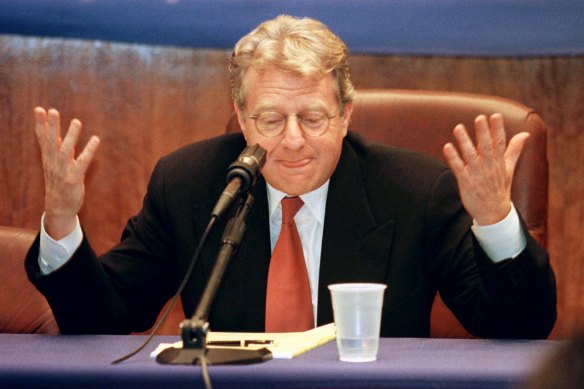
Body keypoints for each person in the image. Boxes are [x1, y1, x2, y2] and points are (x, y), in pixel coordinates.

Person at [25, 15, 556, 337]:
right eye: (271, 120)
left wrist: (493, 220)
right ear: (241, 115)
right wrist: (61, 221)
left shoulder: (414, 192)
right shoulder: (191, 184)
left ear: (347, 115)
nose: (293, 140)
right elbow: (105, 315)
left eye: (314, 118)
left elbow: (518, 326)